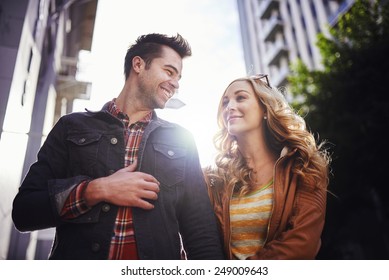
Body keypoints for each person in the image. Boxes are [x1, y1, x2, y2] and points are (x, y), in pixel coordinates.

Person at [12, 33, 224, 260]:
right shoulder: (70, 126)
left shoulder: (183, 140)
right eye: (169, 71)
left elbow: (201, 234)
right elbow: (25, 211)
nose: (176, 83)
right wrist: (96, 190)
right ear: (139, 64)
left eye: (178, 77)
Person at [203, 74, 331, 260]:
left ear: (265, 108)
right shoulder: (214, 180)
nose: (229, 107)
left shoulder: (303, 165)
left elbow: (302, 243)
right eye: (225, 102)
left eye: (240, 97)